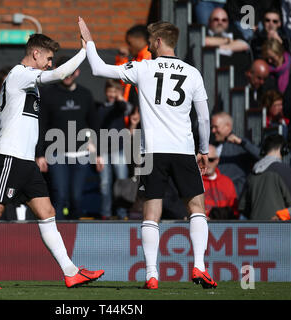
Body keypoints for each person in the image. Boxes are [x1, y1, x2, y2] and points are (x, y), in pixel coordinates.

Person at [79, 17, 217, 289]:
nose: (149, 48)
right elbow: (203, 118)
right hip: (182, 150)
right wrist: (203, 149)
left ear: (157, 42)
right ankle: (199, 267)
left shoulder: (143, 68)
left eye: (151, 43)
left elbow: (97, 69)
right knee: (197, 209)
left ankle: (152, 275)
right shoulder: (192, 73)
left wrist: (89, 41)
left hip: (151, 152)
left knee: (151, 214)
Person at [0, 33, 104, 290]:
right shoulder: (20, 74)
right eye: (48, 58)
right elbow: (59, 75)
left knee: (47, 213)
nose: (50, 63)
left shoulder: (25, 81)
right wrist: (85, 50)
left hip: (25, 161)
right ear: (35, 54)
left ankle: (71, 272)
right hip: (13, 156)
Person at [35, 55, 100, 220]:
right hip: (56, 154)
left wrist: (98, 153)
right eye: (65, 72)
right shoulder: (48, 94)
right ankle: (58, 234)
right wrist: (40, 154)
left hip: (81, 154)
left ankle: (75, 237)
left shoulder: (85, 94)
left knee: (76, 198)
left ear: (77, 72)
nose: (68, 76)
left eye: (71, 72)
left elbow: (94, 124)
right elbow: (41, 125)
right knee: (60, 196)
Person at [239, 134, 291, 220]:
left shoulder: (252, 173)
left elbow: (243, 207)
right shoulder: (284, 170)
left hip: (256, 229)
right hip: (280, 228)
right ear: (283, 150)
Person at [97, 79, 132, 220]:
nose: (111, 94)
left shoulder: (121, 107)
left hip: (119, 149)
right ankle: (105, 212)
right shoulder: (99, 108)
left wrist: (120, 98)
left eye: (115, 91)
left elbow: (127, 108)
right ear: (105, 91)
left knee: (122, 181)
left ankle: (122, 213)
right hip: (103, 150)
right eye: (110, 91)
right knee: (105, 183)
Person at [210, 111, 260, 197]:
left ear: (228, 126)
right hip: (214, 194)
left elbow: (261, 157)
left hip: (234, 196)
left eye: (216, 127)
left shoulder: (240, 145)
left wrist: (242, 143)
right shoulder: (210, 144)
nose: (213, 130)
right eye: (212, 127)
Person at [115, 24, 152, 108]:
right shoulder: (137, 59)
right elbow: (124, 79)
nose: (128, 47)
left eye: (129, 43)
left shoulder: (149, 59)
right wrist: (122, 59)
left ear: (141, 40)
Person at [202, 144, 238, 219]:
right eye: (203, 160)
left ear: (217, 160)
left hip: (225, 226)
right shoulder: (195, 182)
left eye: (211, 160)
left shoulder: (227, 182)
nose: (207, 164)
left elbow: (234, 209)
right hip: (203, 225)